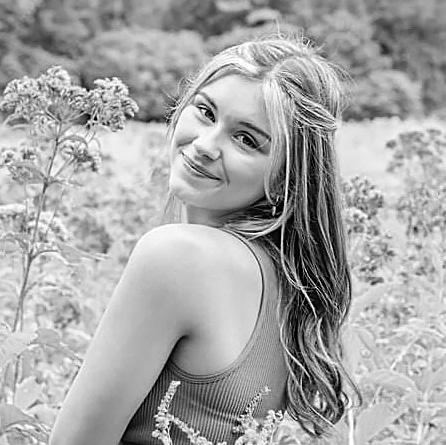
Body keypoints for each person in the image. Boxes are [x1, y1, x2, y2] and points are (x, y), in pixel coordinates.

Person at [49, 33, 358, 445]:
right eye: (206, 111)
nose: (206, 145)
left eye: (247, 139)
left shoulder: (178, 258)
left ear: (286, 174)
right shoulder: (295, 285)